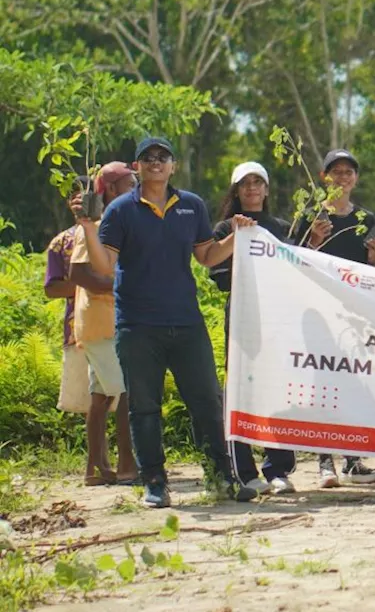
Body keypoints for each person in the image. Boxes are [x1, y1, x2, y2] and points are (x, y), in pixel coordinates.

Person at [77, 137, 258, 507]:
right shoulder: (120, 211)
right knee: (144, 406)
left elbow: (207, 256)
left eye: (163, 157)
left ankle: (221, 476)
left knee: (207, 401)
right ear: (137, 166)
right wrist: (88, 227)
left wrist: (236, 238)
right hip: (138, 325)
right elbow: (105, 267)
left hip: (187, 322)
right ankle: (155, 482)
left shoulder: (191, 206)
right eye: (148, 158)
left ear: (173, 165)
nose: (156, 163)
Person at [294, 148, 375, 487]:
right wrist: (314, 240)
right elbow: (294, 262)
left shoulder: (366, 218)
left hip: (354, 316)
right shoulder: (309, 216)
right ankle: (324, 463)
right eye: (336, 171)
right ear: (324, 177)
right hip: (317, 313)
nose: (342, 177)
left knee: (352, 384)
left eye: (349, 172)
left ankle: (351, 460)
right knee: (322, 385)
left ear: (356, 178)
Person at [209, 162, 297, 496]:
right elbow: (218, 279)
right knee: (241, 389)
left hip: (277, 319)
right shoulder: (224, 228)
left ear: (267, 189)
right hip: (243, 318)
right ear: (236, 191)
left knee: (276, 389)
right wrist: (237, 238)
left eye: (257, 182)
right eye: (244, 183)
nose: (251, 188)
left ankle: (278, 467)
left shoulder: (282, 227)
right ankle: (244, 471)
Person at [68, 163, 136, 486]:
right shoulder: (95, 225)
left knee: (101, 396)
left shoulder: (120, 221)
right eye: (129, 183)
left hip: (109, 321)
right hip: (100, 322)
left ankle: (94, 470)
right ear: (110, 189)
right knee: (125, 391)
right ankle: (127, 465)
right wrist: (120, 285)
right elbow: (78, 274)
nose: (135, 188)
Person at [47, 180, 92, 420]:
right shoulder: (61, 242)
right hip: (79, 329)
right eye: (76, 196)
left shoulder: (111, 233)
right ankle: (99, 454)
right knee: (88, 400)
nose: (81, 200)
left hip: (119, 323)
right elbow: (51, 288)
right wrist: (89, 284)